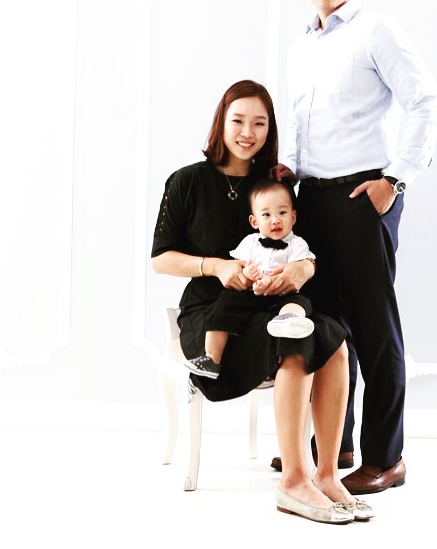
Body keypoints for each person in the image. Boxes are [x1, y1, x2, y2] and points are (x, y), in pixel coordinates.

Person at [151, 79, 374, 523]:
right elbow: (161, 260)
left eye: (259, 123)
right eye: (238, 121)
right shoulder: (187, 181)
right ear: (221, 122)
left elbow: (300, 249)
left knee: (333, 338)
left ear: (270, 129)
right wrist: (216, 267)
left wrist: (302, 270)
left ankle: (328, 475)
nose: (247, 133)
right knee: (295, 341)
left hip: (272, 305)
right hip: (214, 314)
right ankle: (293, 481)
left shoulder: (274, 186)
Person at [273, 0, 437, 494]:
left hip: (363, 197)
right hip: (312, 199)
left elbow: (425, 103)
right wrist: (289, 169)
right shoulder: (301, 46)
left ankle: (386, 458)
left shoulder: (377, 31)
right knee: (326, 328)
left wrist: (395, 179)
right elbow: (300, 122)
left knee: (375, 329)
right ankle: (335, 443)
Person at [183, 178, 317, 380]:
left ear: (293, 216)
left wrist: (272, 281)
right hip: (251, 294)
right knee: (224, 303)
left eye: (282, 213)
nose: (275, 220)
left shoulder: (298, 244)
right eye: (266, 215)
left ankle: (287, 320)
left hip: (282, 294)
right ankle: (211, 357)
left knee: (301, 303)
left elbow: (297, 270)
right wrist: (248, 275)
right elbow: (240, 268)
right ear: (254, 222)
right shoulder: (250, 242)